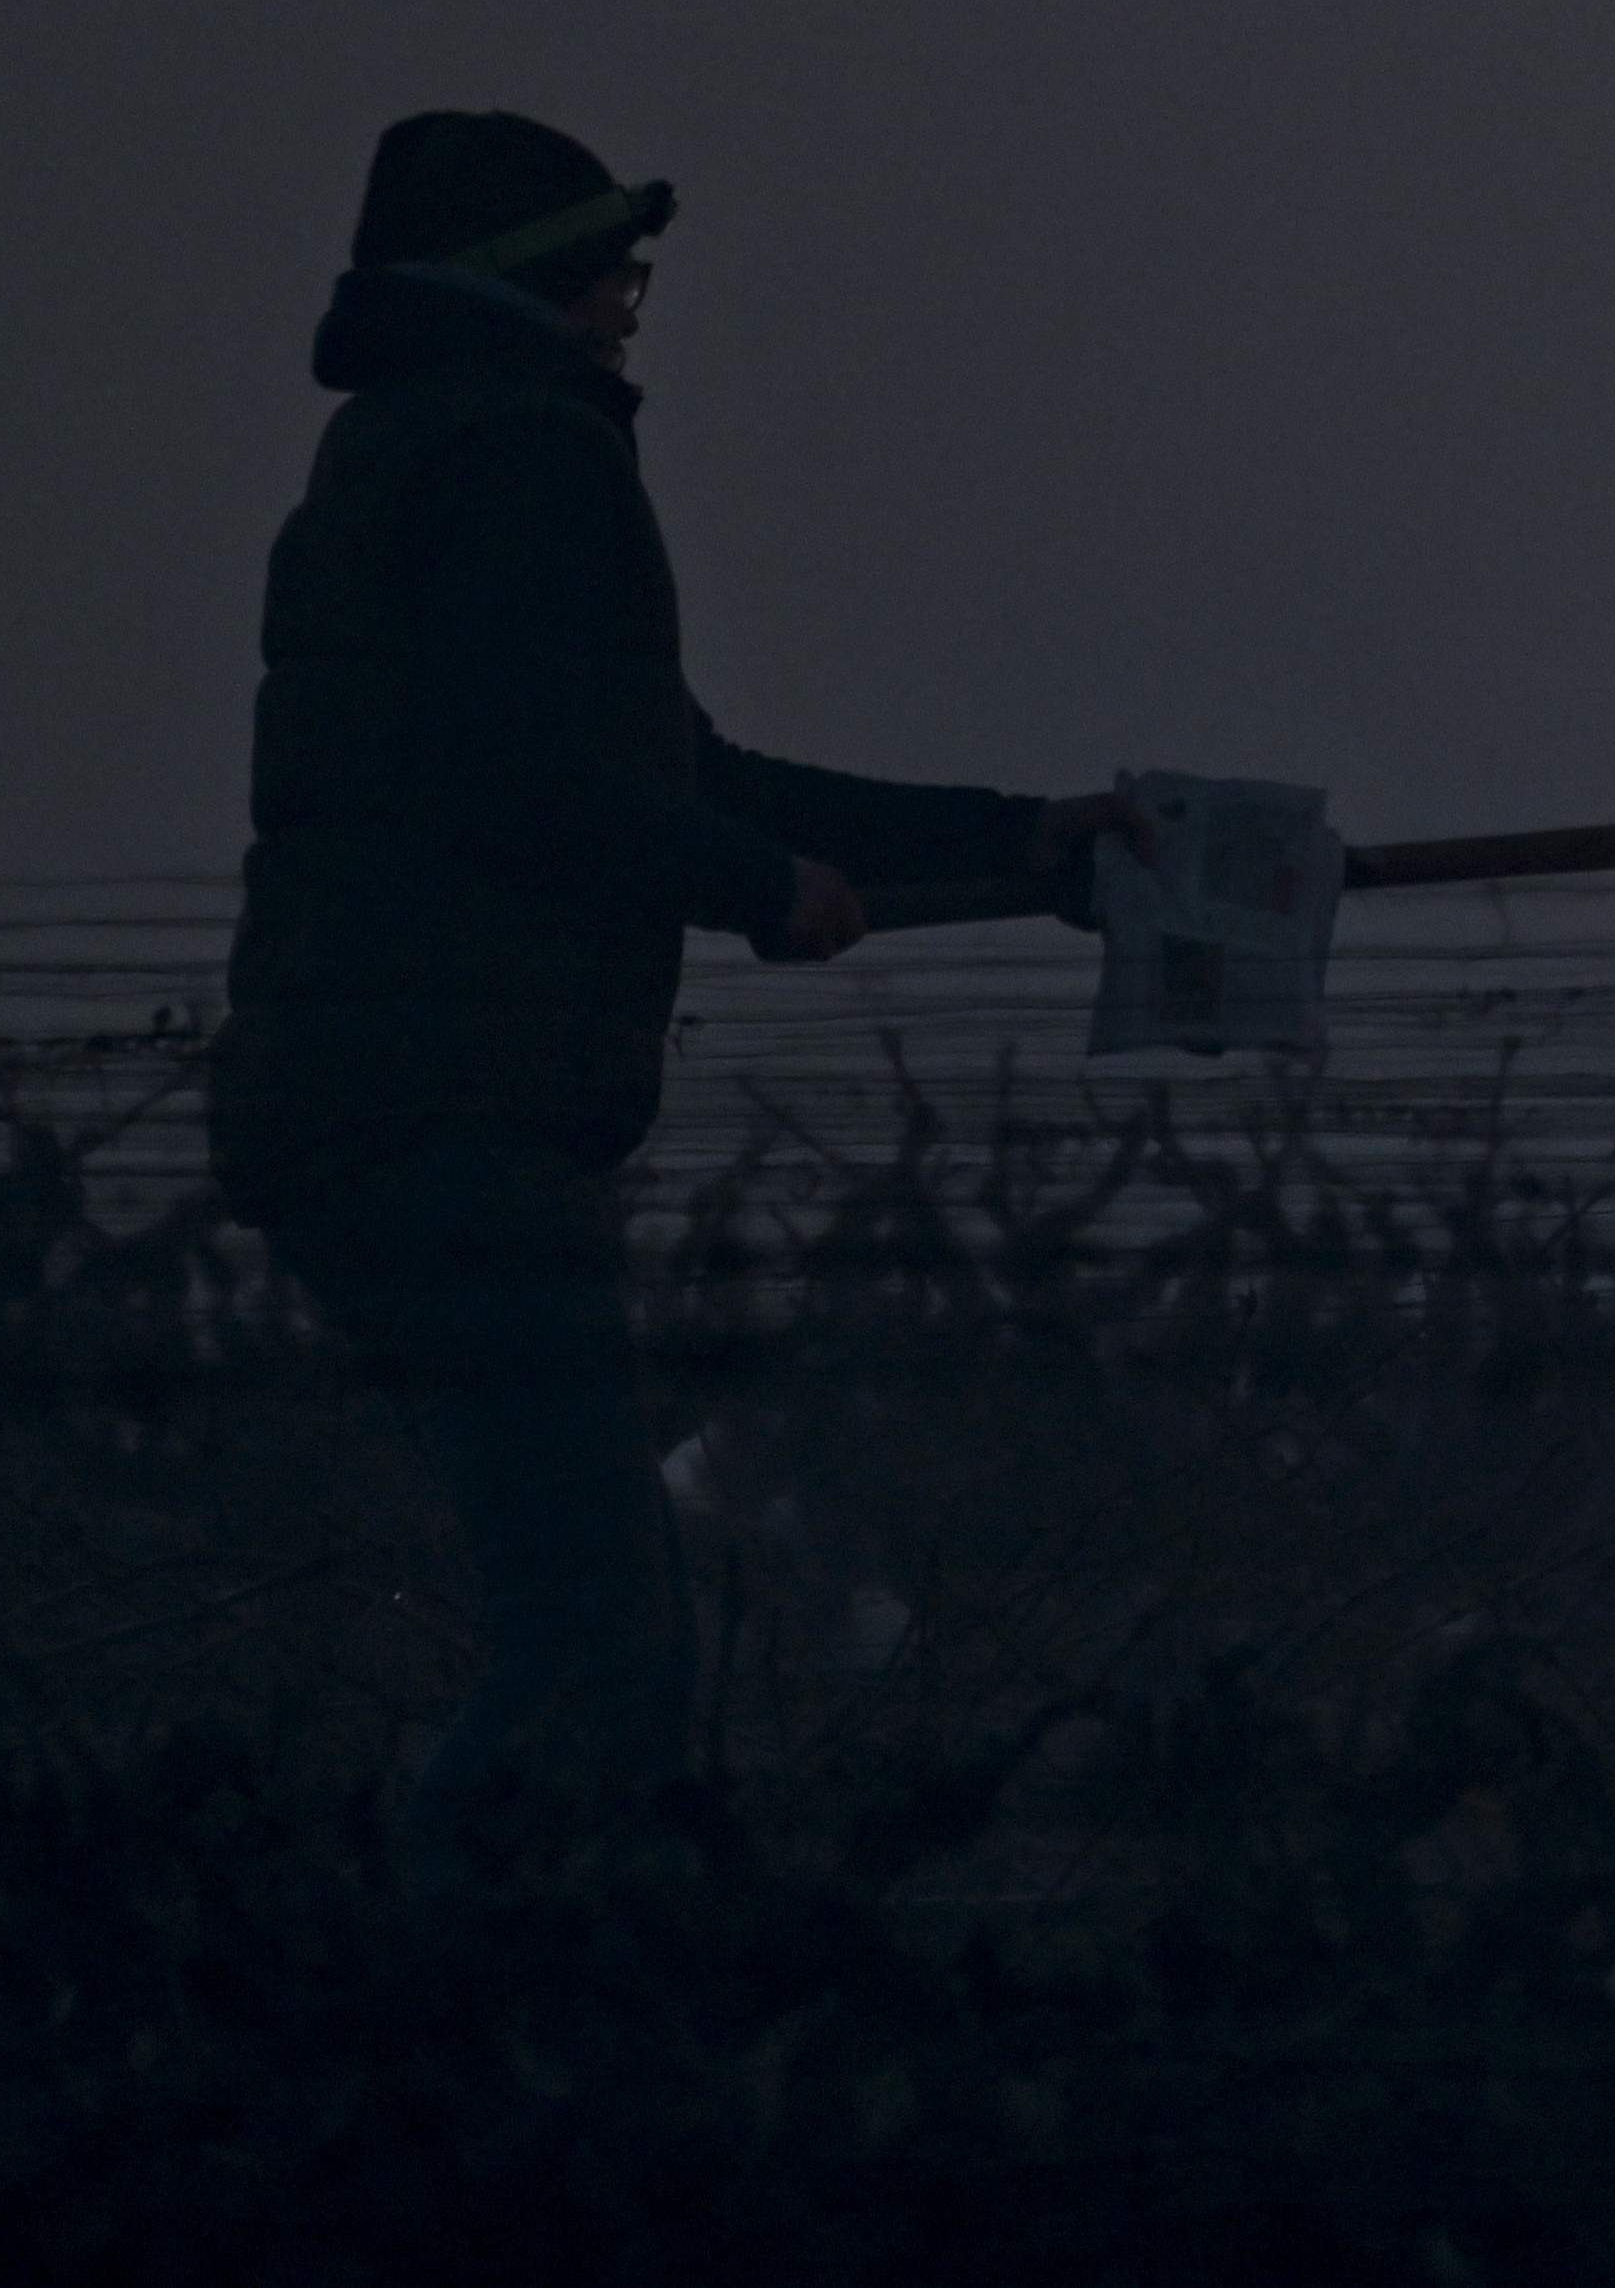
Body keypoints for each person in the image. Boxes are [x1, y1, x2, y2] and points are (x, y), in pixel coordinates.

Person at [208, 109, 1123, 1877]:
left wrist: (1018, 845)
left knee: (586, 1633)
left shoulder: (403, 452)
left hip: (376, 1108)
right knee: (602, 1655)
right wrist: (758, 887)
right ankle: (417, 2043)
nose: (635, 298)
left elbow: (658, 772)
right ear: (534, 281)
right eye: (613, 263)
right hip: (448, 1118)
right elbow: (542, 785)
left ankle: (430, 2032)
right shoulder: (524, 457)